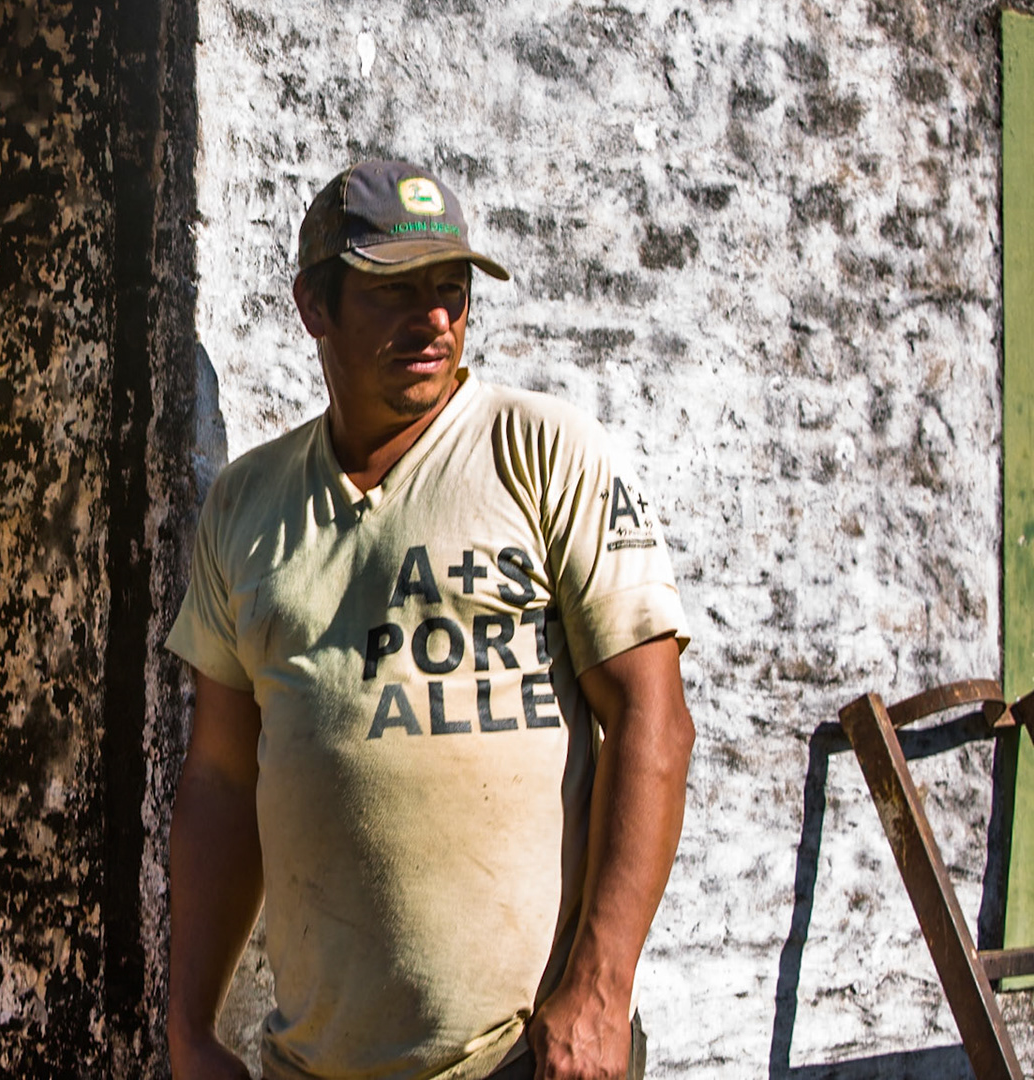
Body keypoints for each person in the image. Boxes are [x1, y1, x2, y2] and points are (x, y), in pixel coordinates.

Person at [164, 161, 695, 1080]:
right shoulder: (247, 507)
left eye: (451, 291)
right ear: (313, 306)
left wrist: (603, 991)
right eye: (395, 291)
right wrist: (189, 1028)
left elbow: (654, 714)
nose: (436, 319)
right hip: (313, 1066)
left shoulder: (541, 453)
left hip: (528, 1057)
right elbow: (218, 778)